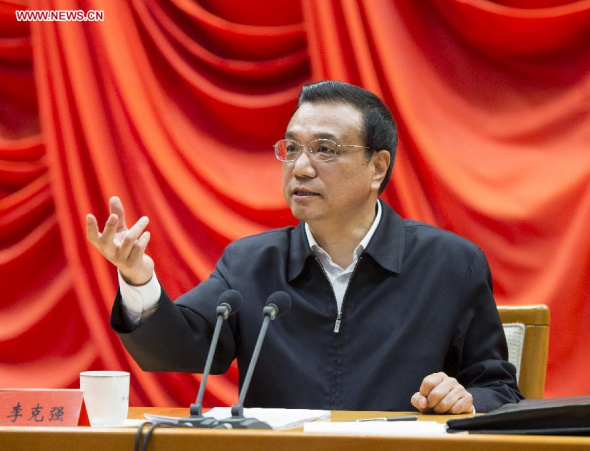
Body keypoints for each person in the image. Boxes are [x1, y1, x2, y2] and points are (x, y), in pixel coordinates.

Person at [86, 80, 522, 414]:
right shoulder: (251, 264)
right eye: (291, 148)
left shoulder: (450, 264)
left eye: (325, 149)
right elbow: (177, 350)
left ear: (378, 167)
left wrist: (464, 398)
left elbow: (499, 390)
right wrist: (137, 278)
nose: (301, 166)